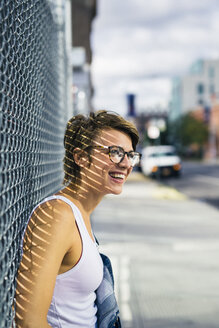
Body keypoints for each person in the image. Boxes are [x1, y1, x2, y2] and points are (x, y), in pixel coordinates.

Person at [15, 110, 141, 328]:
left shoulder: (80, 214)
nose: (126, 164)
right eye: (115, 152)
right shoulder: (56, 215)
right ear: (81, 157)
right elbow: (28, 321)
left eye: (130, 155)